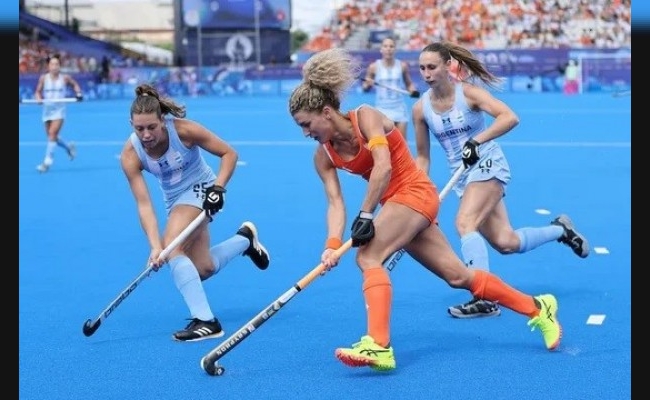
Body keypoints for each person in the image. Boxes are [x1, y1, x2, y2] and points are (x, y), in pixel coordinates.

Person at [288, 48, 562, 372]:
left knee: (367, 257)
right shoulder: (323, 156)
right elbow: (335, 203)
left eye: (307, 124)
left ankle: (379, 345)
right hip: (399, 206)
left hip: (414, 193)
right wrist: (331, 245)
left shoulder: (366, 117)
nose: (306, 133)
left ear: (326, 111)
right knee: (458, 277)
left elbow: (383, 167)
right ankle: (537, 308)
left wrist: (366, 215)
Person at [412, 41, 590, 319]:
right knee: (506, 242)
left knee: (464, 223)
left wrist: (477, 140)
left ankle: (483, 297)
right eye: (422, 68)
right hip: (461, 177)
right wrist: (417, 192)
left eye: (432, 67)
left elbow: (510, 117)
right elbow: (423, 157)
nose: (426, 73)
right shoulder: (421, 109)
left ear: (449, 66)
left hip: (488, 163)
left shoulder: (469, 94)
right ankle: (561, 231)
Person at [119, 83, 271, 342]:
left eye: (151, 127)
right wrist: (155, 247)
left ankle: (207, 322)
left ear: (162, 121)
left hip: (203, 188)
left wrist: (219, 188)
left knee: (174, 249)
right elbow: (144, 204)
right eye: (139, 128)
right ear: (131, 124)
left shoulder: (184, 131)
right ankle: (245, 240)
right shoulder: (130, 155)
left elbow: (229, 154)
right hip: (174, 201)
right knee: (202, 268)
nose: (146, 135)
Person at [33, 54, 83, 173]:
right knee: (52, 137)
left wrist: (79, 94)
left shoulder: (64, 78)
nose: (54, 67)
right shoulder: (43, 78)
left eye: (57, 64)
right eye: (52, 64)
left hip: (59, 111)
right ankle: (68, 148)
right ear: (48, 66)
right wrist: (38, 98)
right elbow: (37, 92)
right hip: (47, 111)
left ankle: (47, 162)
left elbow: (75, 85)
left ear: (59, 66)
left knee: (52, 134)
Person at [360, 37, 419, 139]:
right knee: (385, 145)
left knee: (401, 144)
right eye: (385, 46)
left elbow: (409, 84)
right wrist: (367, 85)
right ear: (381, 49)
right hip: (382, 110)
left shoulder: (402, 66)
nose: (388, 49)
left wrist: (412, 90)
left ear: (395, 49)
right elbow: (365, 88)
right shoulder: (373, 67)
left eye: (391, 46)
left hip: (399, 109)